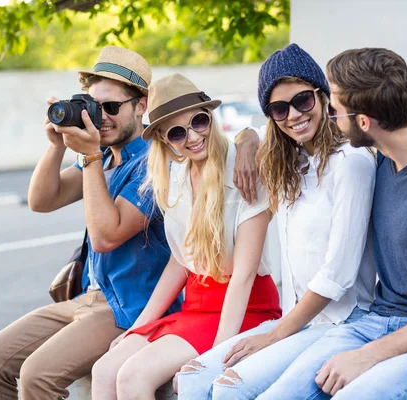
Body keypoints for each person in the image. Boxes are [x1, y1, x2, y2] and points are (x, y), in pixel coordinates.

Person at [0, 46, 258, 400]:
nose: (101, 118)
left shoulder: (154, 163)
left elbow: (105, 237)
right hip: (89, 296)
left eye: (111, 108)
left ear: (141, 106)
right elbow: (41, 201)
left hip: (128, 305)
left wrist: (91, 155)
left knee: (37, 375)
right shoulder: (105, 157)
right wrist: (57, 145)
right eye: (95, 107)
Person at [258, 47, 407, 400]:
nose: (329, 116)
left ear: (364, 122)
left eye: (335, 109)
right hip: (380, 322)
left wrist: (369, 356)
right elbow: (291, 141)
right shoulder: (383, 155)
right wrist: (247, 141)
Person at [177, 43, 376, 400]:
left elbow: (339, 275)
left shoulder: (351, 162)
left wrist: (275, 334)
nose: (294, 115)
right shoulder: (292, 164)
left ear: (322, 96)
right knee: (192, 377)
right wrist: (248, 143)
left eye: (303, 100)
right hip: (299, 322)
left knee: (230, 390)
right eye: (279, 108)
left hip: (344, 323)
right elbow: (250, 132)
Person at [90, 73, 282, 399]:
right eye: (178, 132)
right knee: (104, 370)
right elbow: (179, 264)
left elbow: (245, 274)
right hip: (196, 305)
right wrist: (140, 325)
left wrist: (218, 352)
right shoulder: (174, 177)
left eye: (199, 122)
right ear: (165, 140)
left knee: (133, 377)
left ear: (211, 118)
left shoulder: (243, 171)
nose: (193, 137)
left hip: (245, 307)